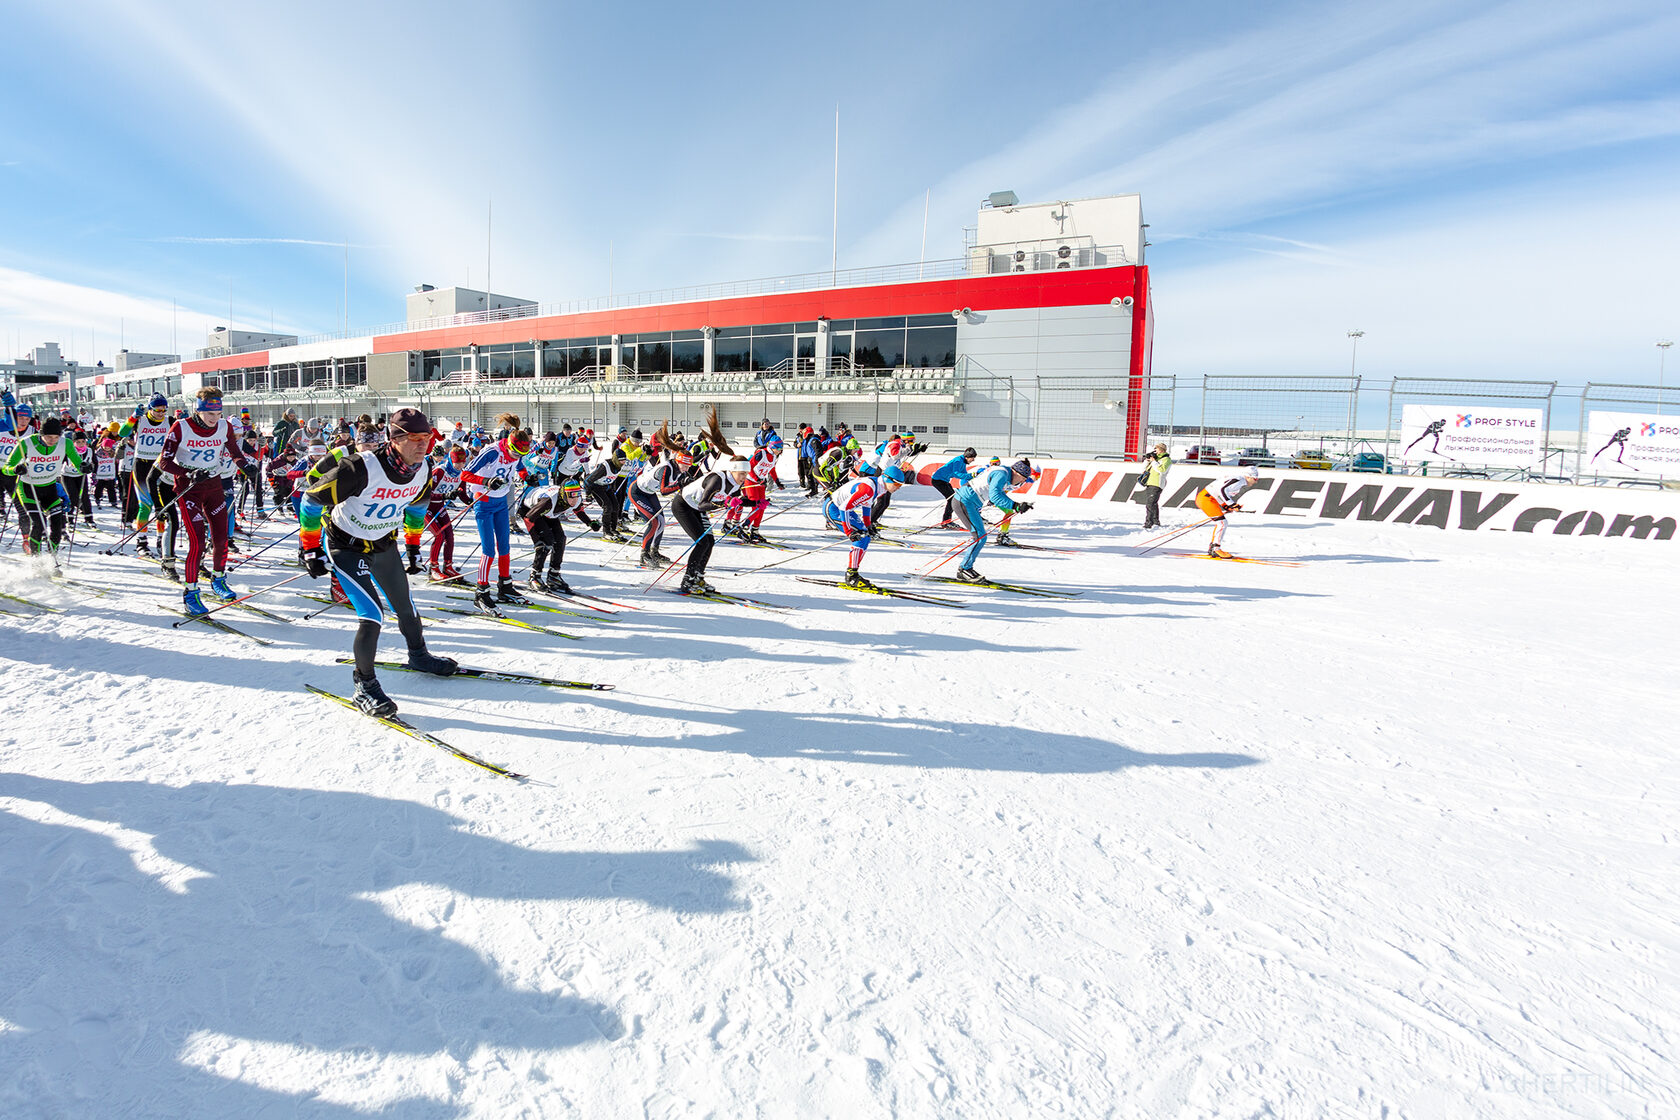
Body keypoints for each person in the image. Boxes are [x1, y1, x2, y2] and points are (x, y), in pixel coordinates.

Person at [300, 407, 457, 716]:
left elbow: (416, 508)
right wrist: (309, 548)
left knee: (407, 608)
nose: (422, 444)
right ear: (394, 439)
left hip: (384, 543)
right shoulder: (360, 468)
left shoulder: (424, 468)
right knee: (373, 615)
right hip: (346, 546)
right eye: (413, 438)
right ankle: (365, 685)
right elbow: (310, 498)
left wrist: (413, 547)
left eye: (427, 437)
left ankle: (419, 655)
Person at [158, 387, 249, 615]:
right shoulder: (182, 426)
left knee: (221, 539)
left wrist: (246, 465)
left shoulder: (224, 426)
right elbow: (164, 462)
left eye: (218, 413)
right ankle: (190, 593)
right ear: (198, 411)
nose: (214, 419)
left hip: (214, 486)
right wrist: (188, 473)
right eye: (210, 414)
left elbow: (234, 450)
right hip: (189, 490)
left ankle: (218, 579)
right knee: (197, 542)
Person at [667, 413, 748, 594]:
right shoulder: (717, 479)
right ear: (734, 470)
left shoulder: (735, 484)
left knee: (709, 541)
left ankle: (698, 577)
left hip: (696, 508)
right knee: (702, 542)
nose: (745, 478)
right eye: (742, 474)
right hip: (684, 506)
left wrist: (757, 502)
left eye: (746, 474)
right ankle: (688, 581)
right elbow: (704, 504)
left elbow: (739, 501)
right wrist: (726, 503)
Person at [460, 411, 532, 611]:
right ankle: (481, 591)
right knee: (489, 550)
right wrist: (486, 481)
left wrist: (527, 477)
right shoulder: (492, 452)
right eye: (515, 453)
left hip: (501, 502)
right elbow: (465, 474)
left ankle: (505, 585)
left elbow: (519, 466)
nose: (517, 457)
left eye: (521, 454)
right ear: (508, 445)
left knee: (505, 547)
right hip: (483, 502)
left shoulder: (517, 452)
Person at [2, 416, 87, 564]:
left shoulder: (65, 443)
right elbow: (6, 467)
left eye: (56, 437)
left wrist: (84, 467)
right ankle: (36, 560)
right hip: (28, 488)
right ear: (41, 434)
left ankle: (51, 558)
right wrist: (16, 469)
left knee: (57, 523)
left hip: (50, 487)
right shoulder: (27, 443)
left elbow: (78, 464)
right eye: (48, 436)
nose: (52, 440)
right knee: (39, 523)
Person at [118, 394, 180, 573]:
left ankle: (162, 540)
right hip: (142, 465)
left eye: (163, 409)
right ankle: (142, 542)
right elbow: (122, 433)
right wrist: (133, 417)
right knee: (145, 505)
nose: (161, 413)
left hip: (161, 465)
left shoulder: (169, 420)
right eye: (157, 409)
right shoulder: (141, 420)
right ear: (150, 408)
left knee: (162, 505)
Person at [951, 458, 1036, 582]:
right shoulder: (1001, 474)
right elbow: (995, 495)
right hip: (964, 501)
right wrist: (1015, 505)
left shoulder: (1005, 474)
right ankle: (964, 569)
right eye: (1022, 479)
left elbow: (997, 494)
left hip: (970, 502)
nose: (1020, 483)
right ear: (1017, 473)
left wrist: (1017, 505)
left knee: (980, 536)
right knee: (980, 536)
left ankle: (966, 568)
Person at [629, 423, 692, 568]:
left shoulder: (680, 470)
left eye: (688, 466)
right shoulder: (667, 469)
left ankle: (654, 551)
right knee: (654, 522)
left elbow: (682, 485)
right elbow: (664, 491)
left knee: (662, 522)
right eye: (685, 466)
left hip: (649, 493)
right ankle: (644, 555)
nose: (686, 469)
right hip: (637, 492)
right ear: (678, 462)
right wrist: (680, 484)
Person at [521, 476, 598, 594]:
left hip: (549, 514)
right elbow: (528, 518)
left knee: (560, 539)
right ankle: (535, 576)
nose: (574, 499)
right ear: (563, 494)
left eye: (577, 494)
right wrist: (536, 540)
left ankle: (554, 575)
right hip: (530, 510)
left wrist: (590, 522)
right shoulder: (548, 501)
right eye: (571, 495)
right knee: (545, 542)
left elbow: (578, 510)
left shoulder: (575, 499)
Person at [1195, 464, 1260, 559]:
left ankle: (1213, 547)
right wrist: (1231, 504)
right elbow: (1222, 490)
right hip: (1206, 499)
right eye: (1255, 479)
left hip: (1209, 498)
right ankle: (1215, 549)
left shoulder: (1238, 479)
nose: (1255, 482)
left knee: (1221, 523)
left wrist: (1225, 505)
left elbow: (1218, 492)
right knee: (1222, 523)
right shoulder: (1239, 480)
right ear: (1248, 476)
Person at [929, 448, 977, 526]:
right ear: (967, 456)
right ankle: (946, 521)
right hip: (938, 480)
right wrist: (971, 475)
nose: (973, 460)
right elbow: (956, 474)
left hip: (944, 480)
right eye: (972, 458)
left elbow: (964, 474)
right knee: (952, 500)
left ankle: (947, 521)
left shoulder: (963, 461)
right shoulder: (958, 461)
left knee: (954, 499)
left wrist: (972, 478)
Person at [1138, 443, 1171, 530]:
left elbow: (1162, 470)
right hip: (1150, 483)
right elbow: (1143, 469)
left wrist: (1154, 462)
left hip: (1157, 483)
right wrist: (1147, 460)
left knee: (1150, 503)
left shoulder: (1166, 459)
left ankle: (1149, 522)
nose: (1155, 450)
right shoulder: (1156, 459)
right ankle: (1155, 521)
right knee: (1153, 503)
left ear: (1161, 450)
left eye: (1156, 449)